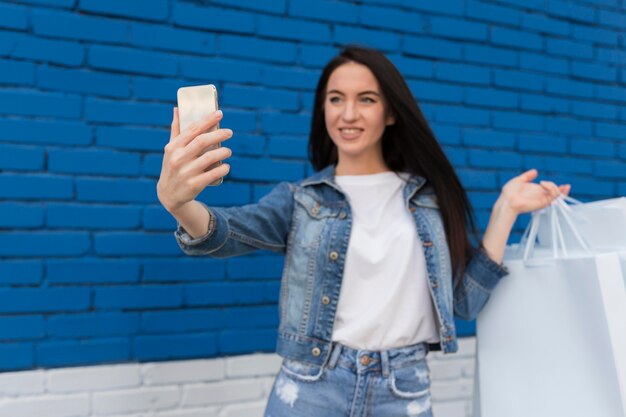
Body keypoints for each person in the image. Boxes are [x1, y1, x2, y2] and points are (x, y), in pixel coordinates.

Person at [157, 46, 570, 417]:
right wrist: (180, 203)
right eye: (336, 99)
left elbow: (462, 304)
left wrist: (506, 209)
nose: (348, 114)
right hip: (311, 390)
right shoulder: (302, 200)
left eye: (366, 100)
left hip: (403, 390)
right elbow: (226, 234)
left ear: (391, 112)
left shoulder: (428, 201)